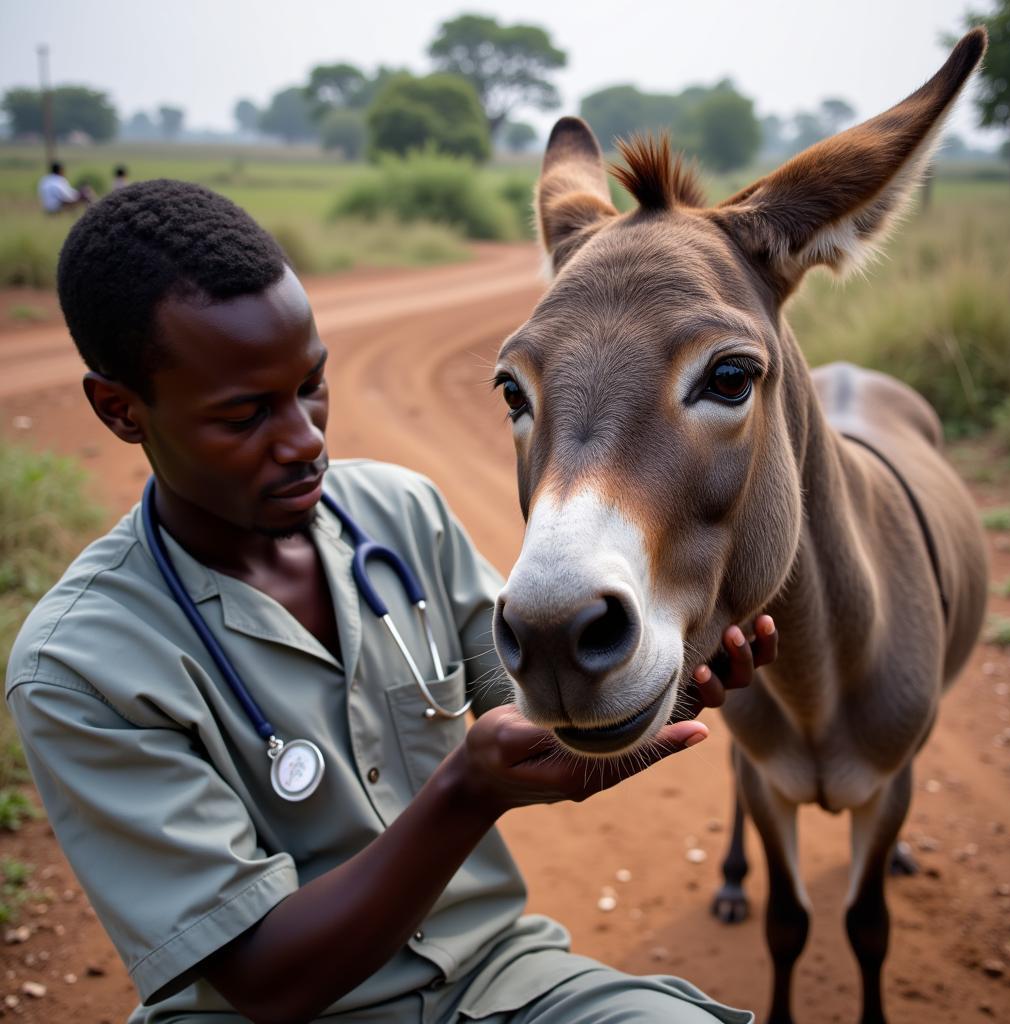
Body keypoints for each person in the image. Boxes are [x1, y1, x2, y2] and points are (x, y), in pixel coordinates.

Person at [5, 180, 777, 1024]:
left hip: (496, 983)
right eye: (245, 415)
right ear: (120, 410)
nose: (306, 440)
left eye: (311, 385)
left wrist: (639, 689)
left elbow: (533, 719)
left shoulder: (399, 515)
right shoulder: (77, 666)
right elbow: (268, 982)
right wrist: (465, 793)